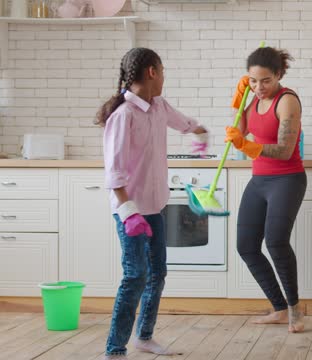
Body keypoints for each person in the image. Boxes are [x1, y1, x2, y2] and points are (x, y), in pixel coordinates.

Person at [96, 47, 208, 359]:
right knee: (135, 276)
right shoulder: (123, 116)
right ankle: (114, 349)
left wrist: (202, 133)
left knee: (157, 272)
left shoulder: (158, 106)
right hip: (130, 210)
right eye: (163, 71)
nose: (164, 79)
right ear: (152, 73)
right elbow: (114, 171)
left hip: (155, 207)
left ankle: (144, 337)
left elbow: (183, 122)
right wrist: (128, 211)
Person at [225, 46, 306, 333]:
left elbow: (284, 150)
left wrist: (247, 146)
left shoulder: (287, 101)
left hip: (287, 179)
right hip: (259, 181)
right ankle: (279, 308)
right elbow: (241, 128)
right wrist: (238, 102)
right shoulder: (253, 98)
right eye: (253, 81)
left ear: (280, 75)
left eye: (265, 81)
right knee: (246, 246)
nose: (259, 87)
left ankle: (296, 309)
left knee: (276, 243)